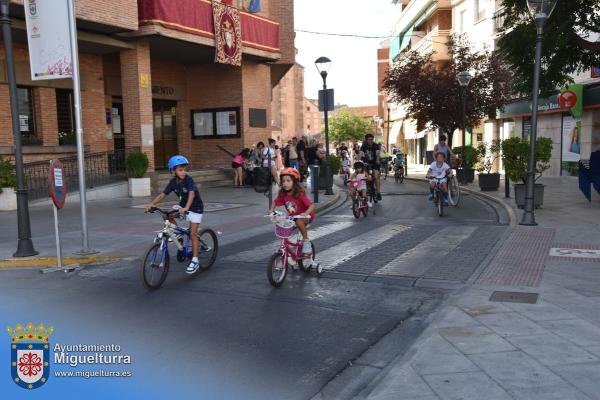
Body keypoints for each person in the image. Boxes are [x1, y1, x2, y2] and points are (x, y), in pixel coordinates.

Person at [145, 155, 204, 274]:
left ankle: (195, 260)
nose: (183, 172)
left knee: (193, 234)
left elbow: (192, 193)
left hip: (195, 208)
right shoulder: (173, 182)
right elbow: (163, 194)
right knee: (168, 215)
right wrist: (151, 204)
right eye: (180, 170)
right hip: (183, 207)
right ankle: (179, 236)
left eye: (184, 170)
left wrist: (187, 207)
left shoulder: (188, 180)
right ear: (173, 171)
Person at [268, 168, 315, 255]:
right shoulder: (283, 194)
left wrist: (306, 213)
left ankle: (306, 242)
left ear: (294, 182)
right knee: (283, 227)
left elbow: (311, 206)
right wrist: (271, 210)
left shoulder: (299, 194)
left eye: (288, 181)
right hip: (293, 217)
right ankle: (288, 248)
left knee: (299, 222)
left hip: (305, 216)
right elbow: (275, 202)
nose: (285, 183)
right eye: (283, 181)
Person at [360, 133, 382, 200]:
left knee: (376, 176)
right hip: (366, 163)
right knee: (363, 176)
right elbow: (361, 154)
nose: (371, 140)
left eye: (372, 139)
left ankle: (378, 193)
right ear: (366, 140)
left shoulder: (376, 145)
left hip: (375, 163)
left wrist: (378, 160)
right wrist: (359, 160)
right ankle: (366, 188)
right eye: (369, 139)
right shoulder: (363, 146)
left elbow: (377, 153)